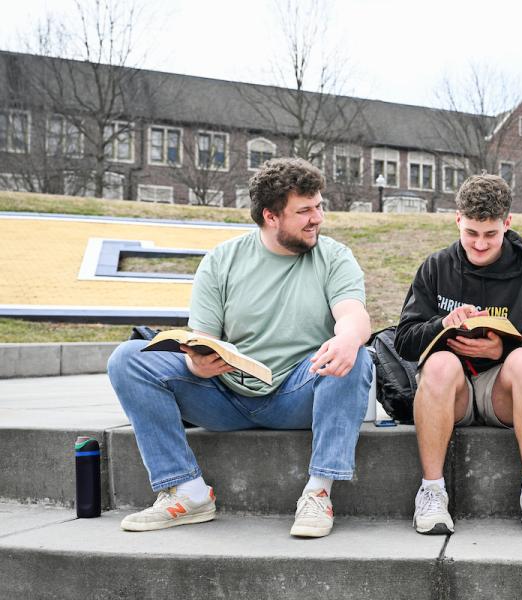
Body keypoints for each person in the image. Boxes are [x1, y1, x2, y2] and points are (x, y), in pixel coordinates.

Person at [107, 158, 372, 538]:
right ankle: (188, 492)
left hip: (297, 393)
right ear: (270, 216)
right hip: (225, 395)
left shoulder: (333, 256)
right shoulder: (222, 260)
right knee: (128, 359)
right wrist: (199, 365)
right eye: (304, 211)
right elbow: (202, 337)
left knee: (356, 354)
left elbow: (354, 315)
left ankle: (318, 493)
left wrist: (348, 337)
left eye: (319, 206)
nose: (317, 218)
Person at [395, 174, 522, 537]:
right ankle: (431, 492)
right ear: (458, 219)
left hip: (500, 392)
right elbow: (404, 343)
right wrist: (442, 325)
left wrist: (504, 348)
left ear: (507, 223)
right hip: (450, 391)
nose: (479, 244)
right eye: (471, 233)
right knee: (439, 364)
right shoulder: (436, 267)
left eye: (490, 234)